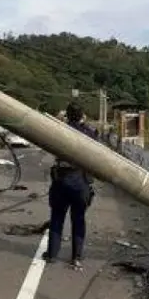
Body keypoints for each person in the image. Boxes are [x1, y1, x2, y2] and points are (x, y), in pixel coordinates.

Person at [43, 102, 97, 269]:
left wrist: (62, 120)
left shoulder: (60, 130)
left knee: (57, 218)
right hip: (80, 180)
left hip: (61, 179)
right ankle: (76, 257)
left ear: (67, 115)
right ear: (82, 115)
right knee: (78, 220)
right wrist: (83, 123)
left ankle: (52, 255)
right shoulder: (89, 132)